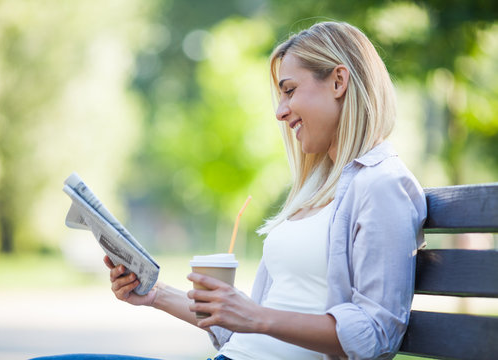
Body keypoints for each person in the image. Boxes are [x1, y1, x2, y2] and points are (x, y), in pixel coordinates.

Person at [33, 20, 427, 360]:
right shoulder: (315, 189)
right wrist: (155, 294)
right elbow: (247, 327)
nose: (280, 111)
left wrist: (256, 316)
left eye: (289, 90)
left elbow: (376, 335)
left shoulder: (383, 184)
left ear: (338, 81)